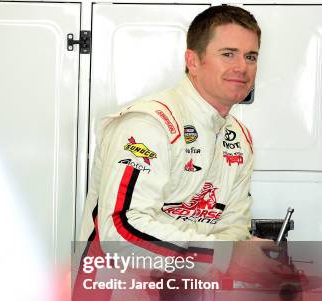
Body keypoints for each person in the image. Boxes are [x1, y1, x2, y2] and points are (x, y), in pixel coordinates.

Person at [78, 5, 282, 286]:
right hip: (114, 295)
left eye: (251, 57)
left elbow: (231, 230)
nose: (241, 67)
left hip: (180, 297)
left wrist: (239, 255)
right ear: (193, 61)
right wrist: (225, 257)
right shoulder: (148, 124)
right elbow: (121, 233)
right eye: (227, 54)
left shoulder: (239, 138)